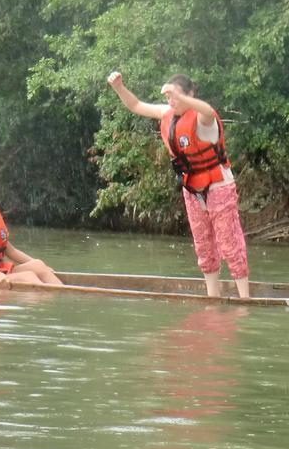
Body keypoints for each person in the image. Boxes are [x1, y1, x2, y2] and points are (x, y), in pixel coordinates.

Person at [106, 70, 250, 299]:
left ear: (190, 95)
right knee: (203, 246)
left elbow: (208, 110)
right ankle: (213, 295)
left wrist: (183, 99)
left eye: (177, 97)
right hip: (192, 189)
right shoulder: (168, 114)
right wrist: (119, 88)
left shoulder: (203, 118)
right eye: (170, 98)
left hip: (218, 186)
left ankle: (245, 298)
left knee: (229, 243)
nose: (173, 102)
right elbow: (136, 105)